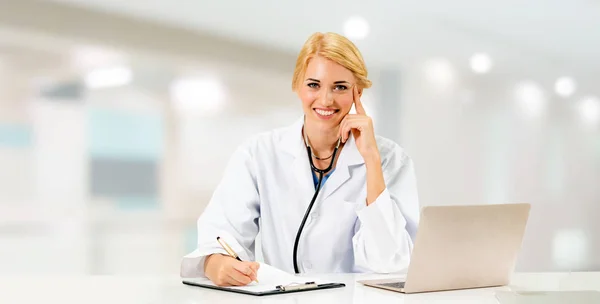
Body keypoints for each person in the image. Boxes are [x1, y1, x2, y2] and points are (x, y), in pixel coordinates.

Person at [180, 32, 420, 287]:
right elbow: (221, 231)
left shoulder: (390, 160)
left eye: (340, 87)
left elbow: (392, 264)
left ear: (357, 92)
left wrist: (371, 160)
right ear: (297, 86)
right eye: (313, 85)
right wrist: (215, 263)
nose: (326, 99)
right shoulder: (258, 154)